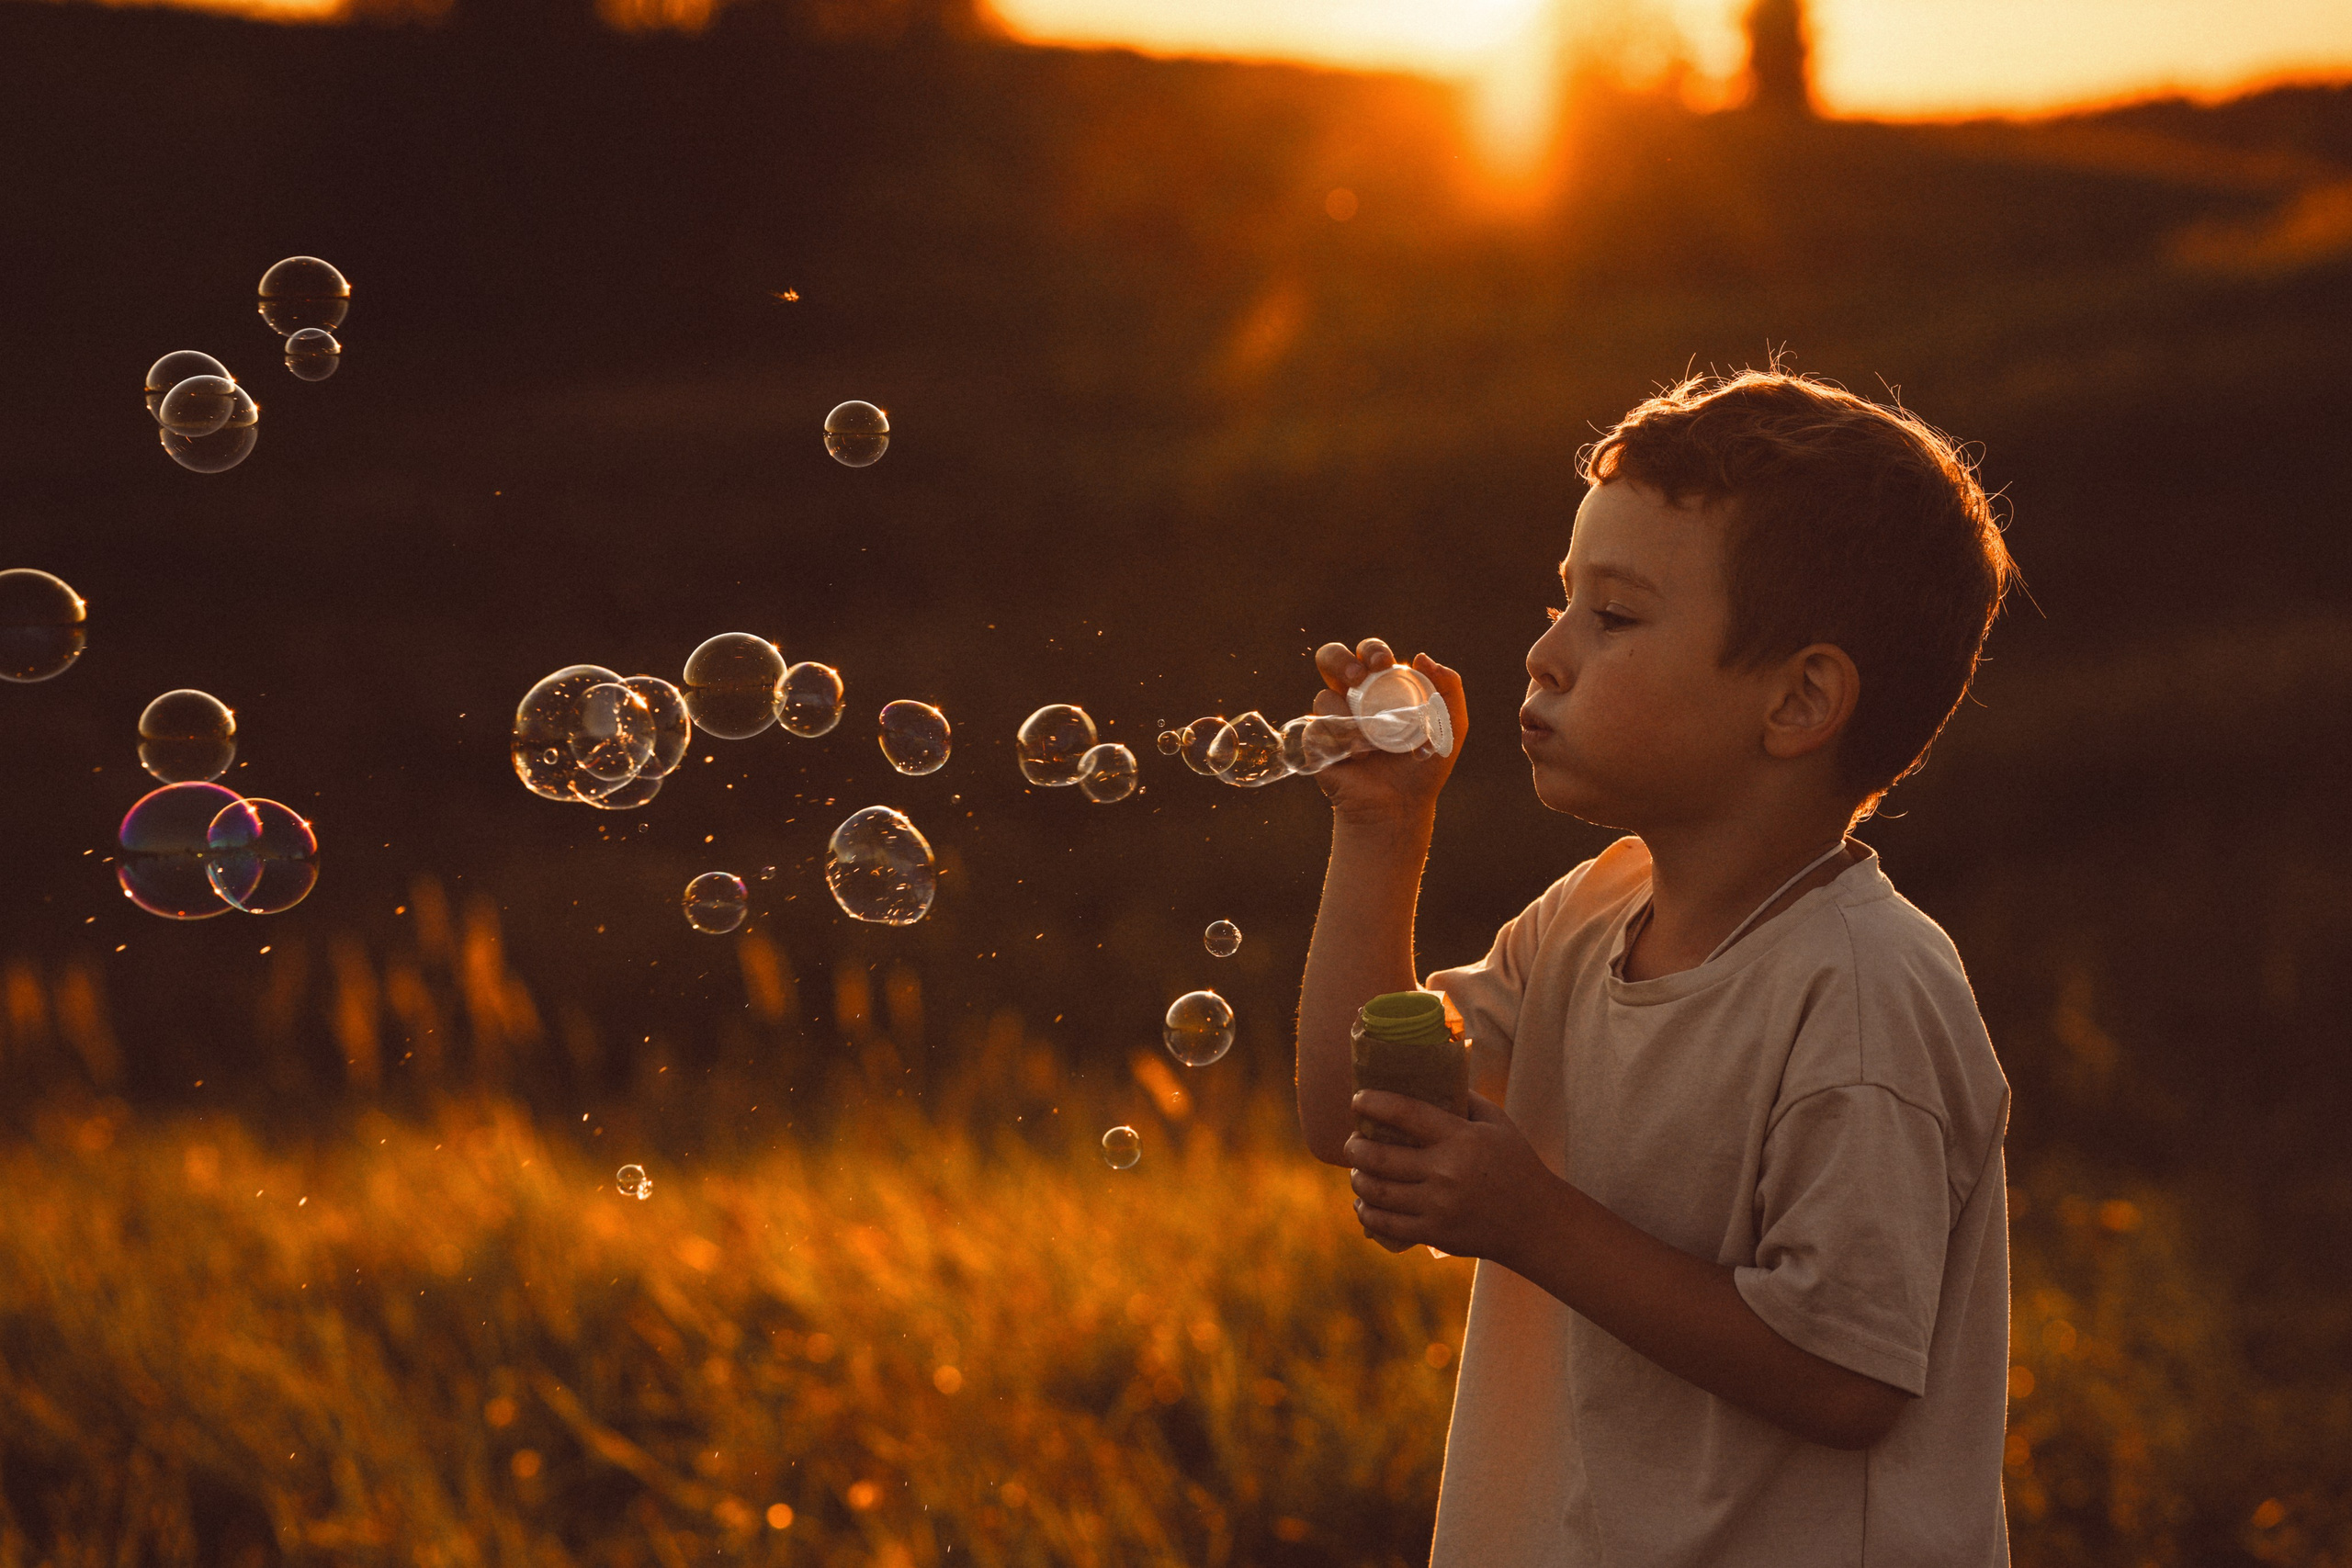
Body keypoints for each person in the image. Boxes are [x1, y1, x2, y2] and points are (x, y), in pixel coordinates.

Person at [1294, 368, 2018, 1565]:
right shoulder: (1590, 916)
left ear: (1799, 701)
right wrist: (1382, 834)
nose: (1545, 655)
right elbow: (1355, 1115)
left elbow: (1849, 1378)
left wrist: (1530, 1218)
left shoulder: (1866, 993)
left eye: (1614, 618)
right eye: (1562, 603)